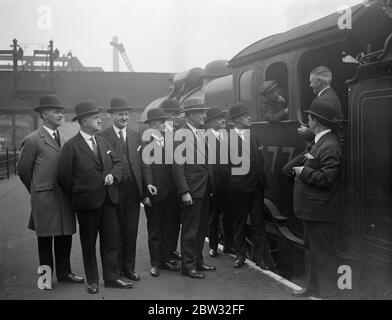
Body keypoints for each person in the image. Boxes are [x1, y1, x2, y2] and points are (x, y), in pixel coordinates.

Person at [57, 100, 131, 294]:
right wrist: (81, 192)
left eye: (99, 116)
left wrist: (113, 175)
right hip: (87, 204)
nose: (100, 120)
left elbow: (119, 164)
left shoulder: (104, 141)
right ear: (83, 121)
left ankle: (112, 277)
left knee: (111, 241)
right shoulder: (71, 147)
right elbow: (64, 177)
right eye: (95, 117)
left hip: (108, 201)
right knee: (88, 244)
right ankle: (93, 280)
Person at [17, 94, 84, 287]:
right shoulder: (33, 140)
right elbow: (23, 171)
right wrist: (37, 190)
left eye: (61, 111)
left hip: (63, 198)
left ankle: (65, 273)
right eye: (56, 111)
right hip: (44, 198)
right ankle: (45, 279)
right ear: (43, 115)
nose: (60, 115)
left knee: (65, 236)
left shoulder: (64, 139)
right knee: (45, 240)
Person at [290, 100, 343, 299]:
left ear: (315, 122)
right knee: (311, 250)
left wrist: (304, 171)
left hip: (321, 209)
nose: (308, 121)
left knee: (323, 253)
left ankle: (329, 293)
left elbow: (328, 178)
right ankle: (311, 287)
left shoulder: (330, 144)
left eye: (310, 118)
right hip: (312, 208)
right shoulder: (321, 141)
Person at [98, 97, 143, 282]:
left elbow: (141, 164)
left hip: (132, 191)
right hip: (113, 190)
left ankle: (128, 269)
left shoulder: (134, 135)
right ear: (112, 116)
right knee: (113, 234)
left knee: (131, 231)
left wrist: (145, 190)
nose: (124, 117)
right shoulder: (103, 136)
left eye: (126, 114)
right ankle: (115, 272)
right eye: (120, 114)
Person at [172, 98, 215, 279]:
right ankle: (188, 267)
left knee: (201, 228)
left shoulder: (201, 133)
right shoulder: (181, 134)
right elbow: (177, 166)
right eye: (201, 112)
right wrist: (184, 191)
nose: (204, 115)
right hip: (192, 190)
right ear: (190, 115)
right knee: (190, 229)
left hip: (204, 189)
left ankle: (198, 261)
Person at [228, 103, 274, 270]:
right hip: (239, 189)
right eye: (246, 115)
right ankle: (240, 256)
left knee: (258, 224)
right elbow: (224, 167)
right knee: (239, 223)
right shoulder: (228, 139)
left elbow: (259, 161)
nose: (250, 118)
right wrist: (234, 185)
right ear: (237, 120)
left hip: (257, 188)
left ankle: (259, 258)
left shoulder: (253, 136)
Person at [141, 108, 181, 277]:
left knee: (170, 228)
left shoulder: (171, 140)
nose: (165, 124)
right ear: (151, 125)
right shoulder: (145, 142)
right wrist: (147, 190)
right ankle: (155, 263)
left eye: (165, 121)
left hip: (171, 193)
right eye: (161, 121)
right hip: (155, 193)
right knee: (155, 229)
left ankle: (165, 259)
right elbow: (144, 168)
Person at [203, 106, 234, 257]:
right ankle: (213, 246)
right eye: (219, 118)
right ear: (211, 122)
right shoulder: (205, 138)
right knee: (213, 217)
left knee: (229, 215)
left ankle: (229, 245)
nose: (223, 120)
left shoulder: (227, 135)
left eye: (223, 118)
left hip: (227, 183)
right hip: (213, 184)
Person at [159, 98, 182, 261]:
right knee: (164, 222)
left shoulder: (177, 132)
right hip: (163, 185)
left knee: (175, 221)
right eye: (171, 114)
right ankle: (163, 255)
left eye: (176, 114)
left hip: (176, 185)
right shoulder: (157, 133)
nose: (174, 117)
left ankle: (172, 249)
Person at [298, 66, 343, 146]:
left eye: (311, 82)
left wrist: (306, 132)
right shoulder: (329, 95)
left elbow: (324, 131)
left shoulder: (324, 100)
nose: (310, 85)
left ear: (319, 82)